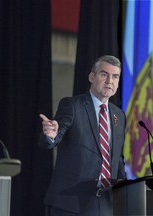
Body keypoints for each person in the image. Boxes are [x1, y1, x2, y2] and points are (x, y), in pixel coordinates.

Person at [39, 55, 126, 216]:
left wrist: (124, 186)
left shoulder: (119, 115)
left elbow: (117, 158)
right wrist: (51, 135)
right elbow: (52, 140)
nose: (109, 81)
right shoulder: (72, 105)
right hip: (71, 204)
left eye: (115, 76)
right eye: (104, 74)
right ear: (92, 77)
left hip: (106, 204)